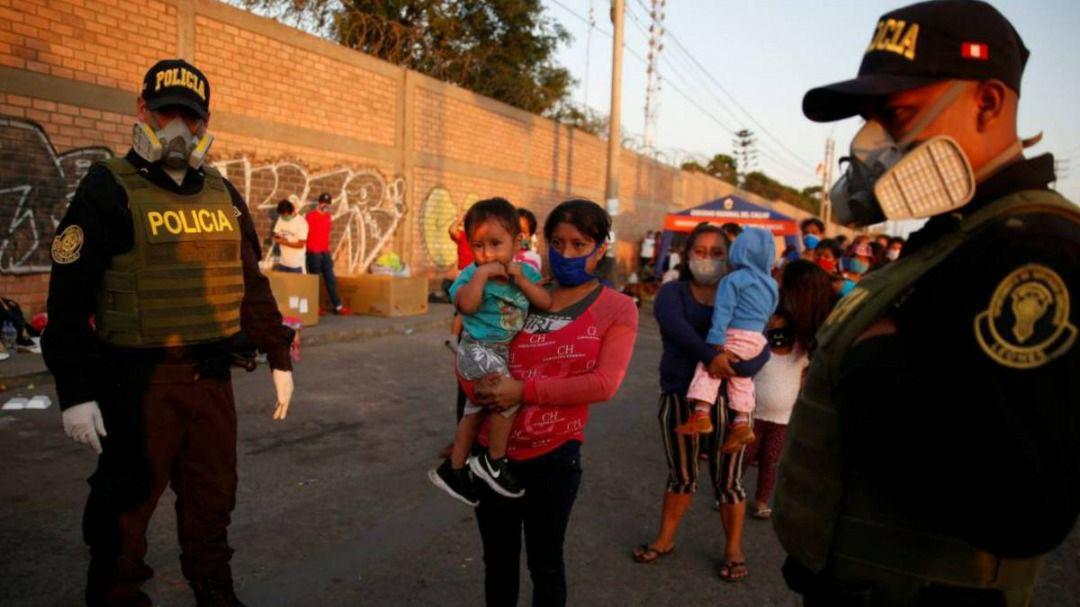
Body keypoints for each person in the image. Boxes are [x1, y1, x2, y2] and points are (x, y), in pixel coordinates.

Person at [775, 2, 1080, 605]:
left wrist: (874, 361)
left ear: (988, 102)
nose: (872, 144)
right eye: (870, 119)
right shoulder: (958, 234)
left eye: (897, 114)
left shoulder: (1034, 250)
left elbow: (1028, 508)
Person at [42, 59, 295, 607]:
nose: (177, 129)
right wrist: (76, 391)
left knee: (212, 503)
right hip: (136, 386)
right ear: (142, 111)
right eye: (166, 114)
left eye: (190, 118)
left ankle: (215, 592)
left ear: (205, 123)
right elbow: (67, 300)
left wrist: (278, 354)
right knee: (123, 513)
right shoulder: (108, 187)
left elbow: (250, 283)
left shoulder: (223, 194)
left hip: (211, 384)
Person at [468, 199, 638, 606]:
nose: (565, 253)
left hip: (553, 458)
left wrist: (522, 391)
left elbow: (603, 384)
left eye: (578, 244)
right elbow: (477, 345)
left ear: (600, 249)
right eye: (556, 242)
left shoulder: (618, 309)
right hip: (493, 456)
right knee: (499, 564)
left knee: (545, 564)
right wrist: (474, 400)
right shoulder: (522, 294)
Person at [632, 222, 769, 583]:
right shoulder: (672, 293)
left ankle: (734, 549)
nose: (707, 259)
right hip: (682, 396)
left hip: (734, 404)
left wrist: (749, 364)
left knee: (730, 479)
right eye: (700, 251)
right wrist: (714, 358)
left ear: (731, 257)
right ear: (687, 254)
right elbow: (678, 330)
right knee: (682, 474)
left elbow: (761, 339)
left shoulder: (743, 290)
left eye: (717, 253)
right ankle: (665, 539)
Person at [429, 198, 552, 505]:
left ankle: (453, 469)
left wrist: (521, 280)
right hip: (477, 350)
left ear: (518, 242)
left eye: (496, 244)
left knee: (473, 412)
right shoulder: (471, 275)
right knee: (507, 400)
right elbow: (466, 306)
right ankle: (494, 462)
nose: (486, 254)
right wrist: (482, 276)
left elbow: (545, 303)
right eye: (478, 246)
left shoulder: (524, 273)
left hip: (501, 352)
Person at [742, 260, 834, 520]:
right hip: (751, 407)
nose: (774, 282)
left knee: (771, 459)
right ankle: (730, 490)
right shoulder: (772, 318)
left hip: (782, 415)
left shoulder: (812, 331)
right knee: (745, 453)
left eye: (780, 279)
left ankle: (761, 500)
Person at [679, 227, 778, 454]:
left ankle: (702, 413)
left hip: (735, 333)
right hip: (756, 339)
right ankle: (742, 422)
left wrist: (715, 339)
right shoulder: (771, 283)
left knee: (709, 369)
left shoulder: (733, 280)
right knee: (743, 380)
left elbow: (723, 310)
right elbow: (769, 312)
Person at [305, 192, 349, 314]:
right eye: (324, 203)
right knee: (315, 280)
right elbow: (306, 233)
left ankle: (338, 306)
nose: (326, 205)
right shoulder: (310, 216)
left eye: (328, 203)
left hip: (325, 251)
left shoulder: (328, 216)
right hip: (313, 251)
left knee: (330, 279)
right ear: (319, 203)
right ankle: (315, 306)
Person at [271, 199, 307, 273]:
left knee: (295, 284)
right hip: (283, 262)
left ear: (292, 211)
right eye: (281, 215)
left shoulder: (302, 223)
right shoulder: (281, 219)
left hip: (296, 264)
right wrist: (276, 238)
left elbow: (301, 244)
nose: (283, 217)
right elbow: (276, 233)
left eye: (285, 215)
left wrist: (285, 242)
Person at [514, 207, 543, 273]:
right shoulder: (499, 252)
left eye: (523, 231)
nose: (517, 235)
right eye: (514, 228)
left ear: (529, 237)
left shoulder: (532, 257)